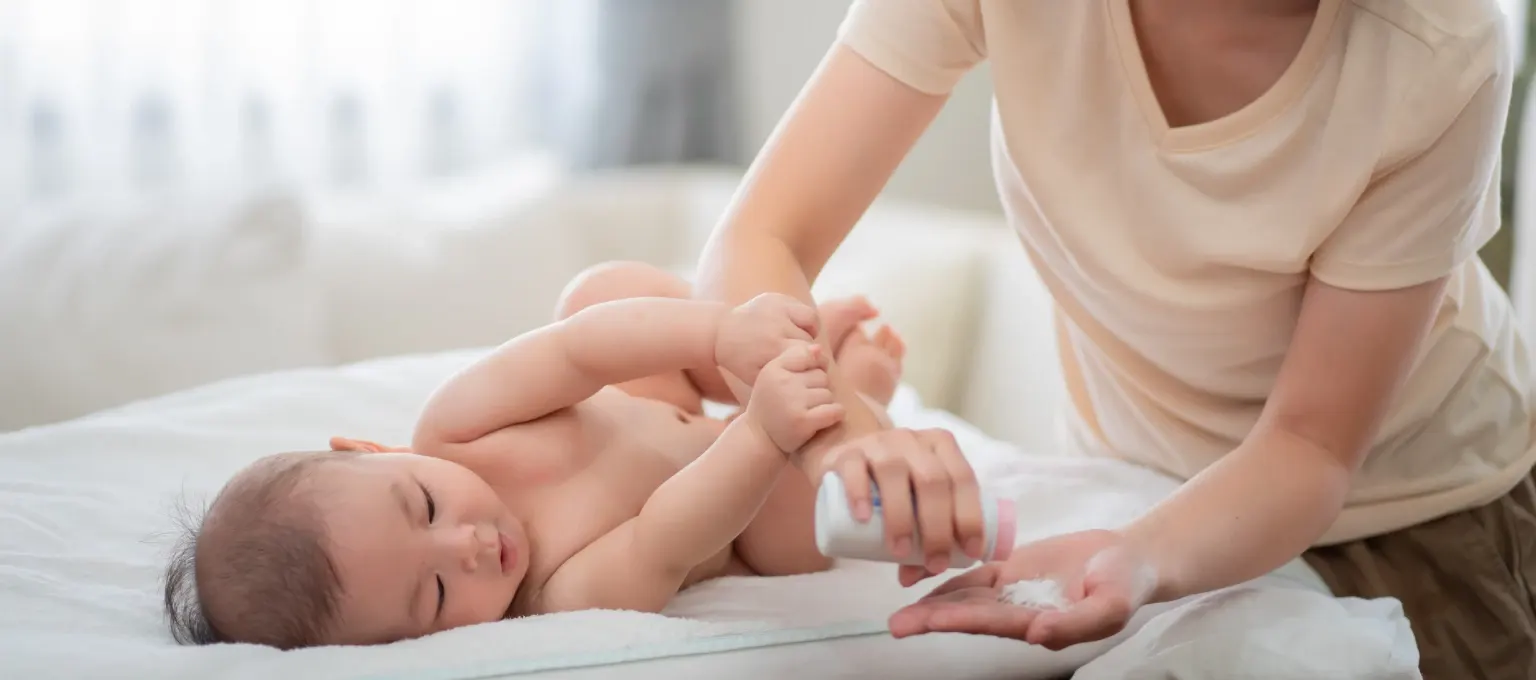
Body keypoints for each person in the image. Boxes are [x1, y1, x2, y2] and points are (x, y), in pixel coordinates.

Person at [691, 1, 1532, 677]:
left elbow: (1311, 445)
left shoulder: (1438, 46)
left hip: (1413, 516)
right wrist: (845, 436)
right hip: (1130, 487)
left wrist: (1145, 555)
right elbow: (759, 238)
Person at [160, 261, 912, 649]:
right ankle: (855, 389)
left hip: (657, 397)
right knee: (806, 509)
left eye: (424, 505)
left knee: (599, 295)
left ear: (372, 449)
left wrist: (719, 336)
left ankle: (759, 346)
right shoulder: (553, 595)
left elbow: (577, 353)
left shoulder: (457, 427)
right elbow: (664, 537)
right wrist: (759, 432)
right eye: (436, 595)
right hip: (744, 509)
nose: (468, 546)